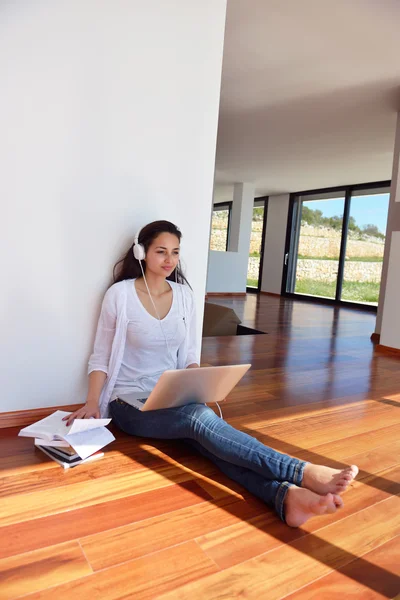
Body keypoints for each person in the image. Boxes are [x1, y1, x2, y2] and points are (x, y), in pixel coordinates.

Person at [65, 220, 358, 527]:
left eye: (175, 253)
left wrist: (201, 384)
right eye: (161, 251)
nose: (169, 260)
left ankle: (286, 498)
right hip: (128, 404)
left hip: (172, 396)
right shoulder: (120, 295)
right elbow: (100, 356)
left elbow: (190, 355)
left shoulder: (184, 296)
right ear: (142, 253)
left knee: (212, 443)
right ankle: (302, 472)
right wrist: (92, 402)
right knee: (198, 421)